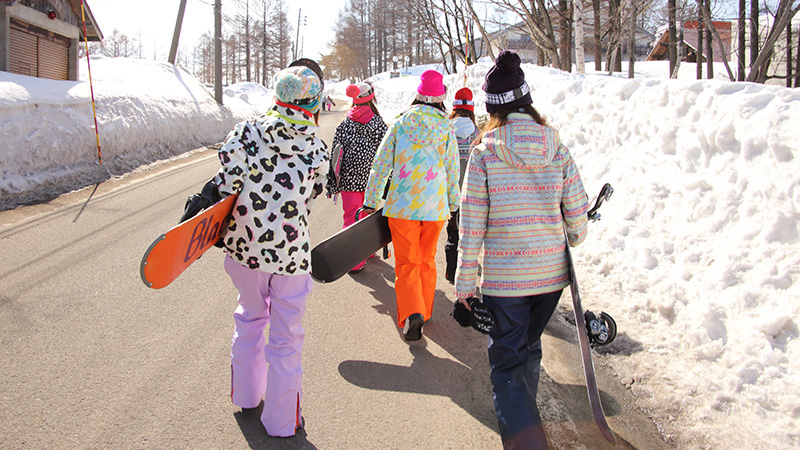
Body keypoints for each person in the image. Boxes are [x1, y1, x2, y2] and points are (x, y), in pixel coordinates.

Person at [454, 50, 589, 449]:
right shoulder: (556, 146)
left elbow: (471, 224)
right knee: (528, 349)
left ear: (492, 109)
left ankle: (527, 442)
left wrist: (464, 284)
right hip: (550, 278)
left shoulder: (484, 153)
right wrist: (575, 234)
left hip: (506, 281)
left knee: (508, 366)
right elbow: (577, 214)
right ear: (526, 100)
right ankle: (524, 428)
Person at [213, 59, 329, 437]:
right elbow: (312, 194)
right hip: (291, 259)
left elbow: (226, 184)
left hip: (245, 251)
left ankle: (247, 396)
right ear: (313, 103)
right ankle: (281, 421)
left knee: (249, 316)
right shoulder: (316, 146)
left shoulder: (245, 134)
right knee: (286, 336)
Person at [362, 69, 460, 342]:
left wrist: (371, 202)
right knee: (427, 261)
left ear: (417, 95)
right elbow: (453, 170)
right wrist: (453, 205)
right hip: (434, 208)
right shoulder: (446, 128)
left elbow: (380, 165)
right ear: (440, 99)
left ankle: (411, 313)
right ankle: (424, 312)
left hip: (402, 206)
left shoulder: (401, 123)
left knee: (406, 263)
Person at [329, 81, 388, 272]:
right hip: (372, 179)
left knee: (350, 216)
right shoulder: (378, 124)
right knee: (367, 215)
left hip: (348, 178)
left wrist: (333, 181)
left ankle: (354, 261)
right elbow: (387, 152)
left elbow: (335, 153)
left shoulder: (345, 124)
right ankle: (366, 249)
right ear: (371, 99)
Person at [444, 87, 478, 283]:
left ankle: (451, 271)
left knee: (453, 232)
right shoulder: (477, 133)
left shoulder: (447, 130)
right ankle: (468, 274)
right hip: (472, 192)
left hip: (451, 193)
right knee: (469, 235)